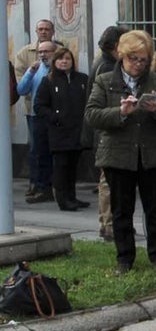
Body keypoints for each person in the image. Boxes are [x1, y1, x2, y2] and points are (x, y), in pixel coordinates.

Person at [85, 30, 156, 273]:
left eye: (143, 60)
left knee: (155, 209)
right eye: (133, 59)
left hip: (152, 154)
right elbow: (91, 115)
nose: (138, 65)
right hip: (118, 155)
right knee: (121, 210)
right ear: (122, 56)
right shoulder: (105, 80)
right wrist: (120, 112)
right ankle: (124, 259)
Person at [34, 47, 89, 211]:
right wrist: (54, 118)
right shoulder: (48, 81)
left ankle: (72, 196)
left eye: (67, 59)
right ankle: (63, 200)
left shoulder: (82, 79)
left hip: (77, 130)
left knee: (73, 166)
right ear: (55, 62)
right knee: (61, 167)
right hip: (59, 132)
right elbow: (39, 105)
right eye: (60, 59)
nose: (64, 62)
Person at [88, 26, 129, 241]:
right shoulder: (106, 66)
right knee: (108, 181)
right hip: (108, 130)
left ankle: (111, 224)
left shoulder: (104, 62)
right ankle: (109, 225)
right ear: (116, 46)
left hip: (107, 128)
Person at [18, 38, 58, 203]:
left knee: (56, 154)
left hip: (56, 118)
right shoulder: (35, 70)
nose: (43, 55)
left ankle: (56, 188)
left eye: (46, 51)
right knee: (39, 153)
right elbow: (21, 90)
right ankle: (41, 187)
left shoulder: (59, 69)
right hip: (37, 118)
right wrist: (29, 73)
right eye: (40, 52)